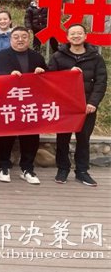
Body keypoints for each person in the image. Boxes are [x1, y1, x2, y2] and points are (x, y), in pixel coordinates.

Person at [49, 24, 107, 187]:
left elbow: (101, 82)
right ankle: (62, 169)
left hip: (86, 106)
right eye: (72, 34)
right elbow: (50, 78)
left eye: (79, 33)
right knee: (62, 139)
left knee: (83, 139)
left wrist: (93, 102)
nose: (76, 36)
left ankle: (82, 171)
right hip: (65, 105)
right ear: (67, 37)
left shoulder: (95, 57)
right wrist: (67, 74)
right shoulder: (58, 56)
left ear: (85, 36)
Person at [0, 26, 47, 185]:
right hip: (8, 102)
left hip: (31, 103)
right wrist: (8, 76)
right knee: (6, 135)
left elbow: (49, 79)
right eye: (16, 37)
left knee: (31, 136)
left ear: (29, 39)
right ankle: (4, 167)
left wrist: (42, 72)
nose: (20, 40)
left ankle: (27, 168)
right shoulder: (1, 56)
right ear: (10, 39)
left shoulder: (37, 57)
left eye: (24, 36)